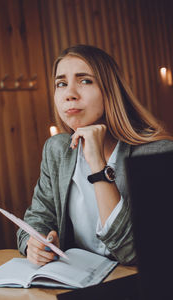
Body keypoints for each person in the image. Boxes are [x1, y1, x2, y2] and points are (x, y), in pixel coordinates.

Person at [17, 44, 173, 266]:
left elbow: (135, 253)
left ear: (110, 90)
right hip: (76, 284)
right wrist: (34, 243)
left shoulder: (157, 153)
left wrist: (98, 165)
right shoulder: (57, 149)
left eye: (85, 80)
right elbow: (37, 218)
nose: (69, 94)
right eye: (61, 84)